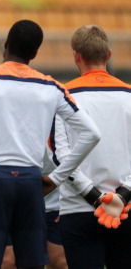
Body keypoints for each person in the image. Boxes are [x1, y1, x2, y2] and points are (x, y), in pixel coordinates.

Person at [0, 19, 101, 269]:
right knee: (33, 263)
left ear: (6, 44)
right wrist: (57, 178)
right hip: (31, 180)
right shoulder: (51, 86)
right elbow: (92, 134)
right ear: (35, 53)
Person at [52, 25, 131, 269]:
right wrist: (122, 195)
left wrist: (95, 198)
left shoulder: (63, 96)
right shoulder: (129, 95)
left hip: (78, 209)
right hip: (126, 209)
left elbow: (61, 157)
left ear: (76, 55)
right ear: (108, 55)